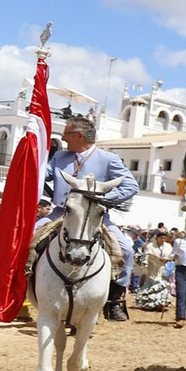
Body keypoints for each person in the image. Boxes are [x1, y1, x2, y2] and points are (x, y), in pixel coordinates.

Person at [46, 116, 138, 321]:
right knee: (25, 240)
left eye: (66, 134)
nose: (63, 137)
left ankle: (114, 300)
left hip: (95, 217)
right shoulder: (59, 157)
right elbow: (42, 174)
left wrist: (102, 199)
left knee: (127, 251)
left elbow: (131, 186)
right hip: (59, 214)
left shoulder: (108, 159)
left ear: (78, 136)